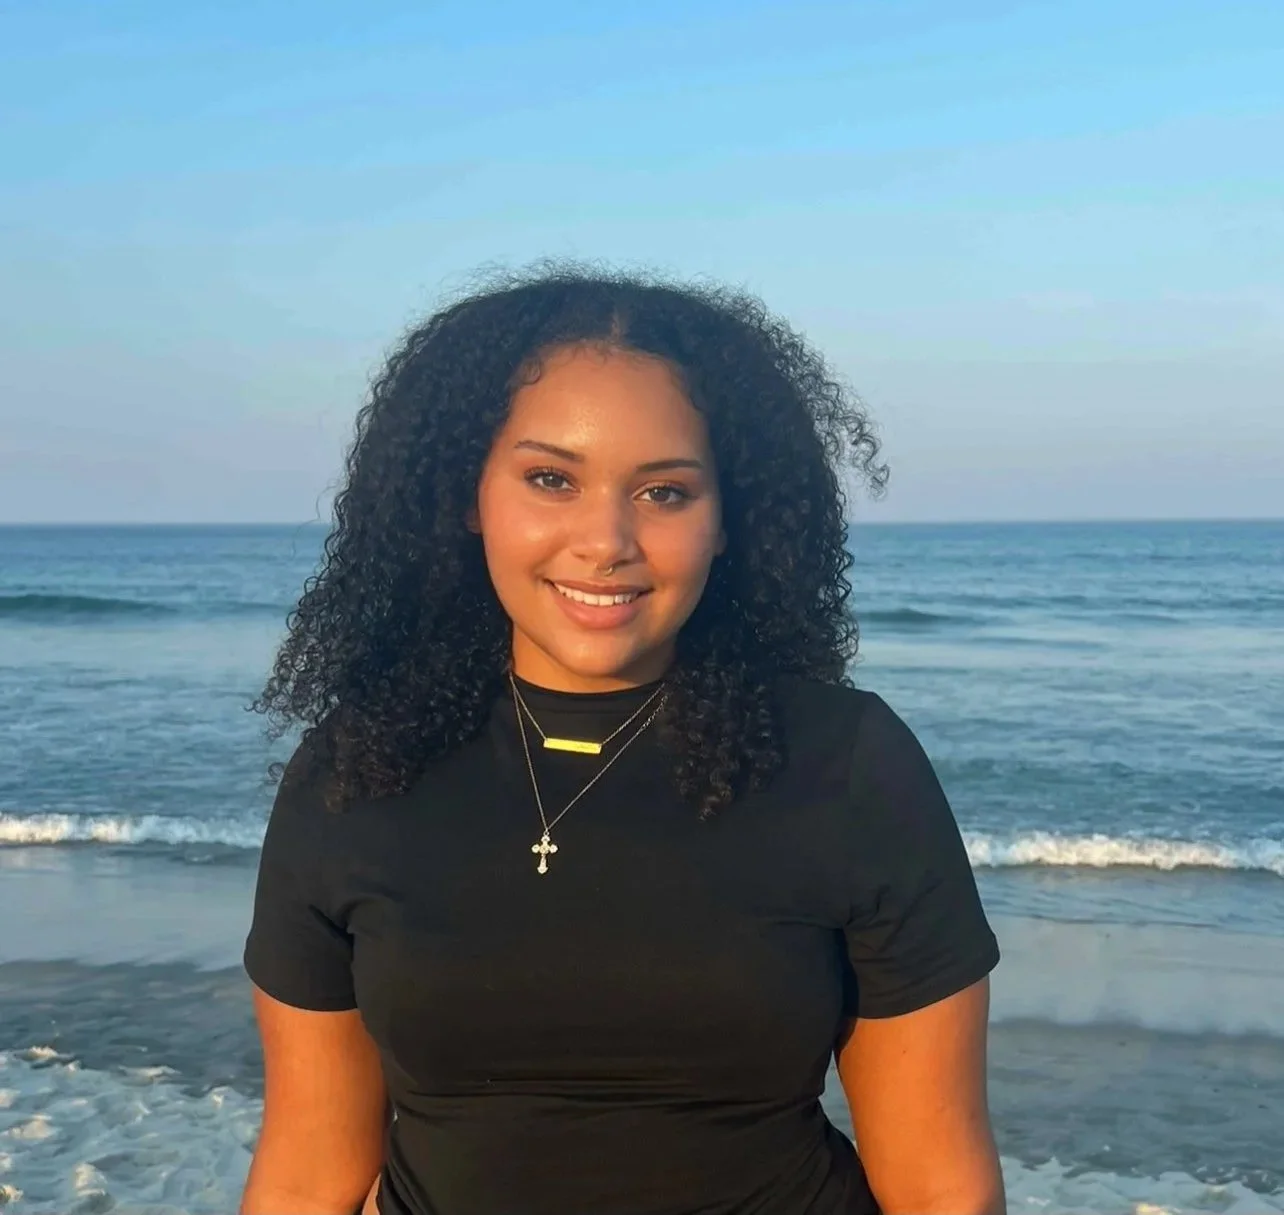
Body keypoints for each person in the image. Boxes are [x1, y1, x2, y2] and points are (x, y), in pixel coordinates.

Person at [239, 265, 1005, 1215]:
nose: (606, 540)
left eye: (665, 492)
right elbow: (306, 1178)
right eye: (550, 479)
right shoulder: (357, 770)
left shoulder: (845, 764)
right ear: (468, 495)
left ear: (728, 521)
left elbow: (941, 1189)